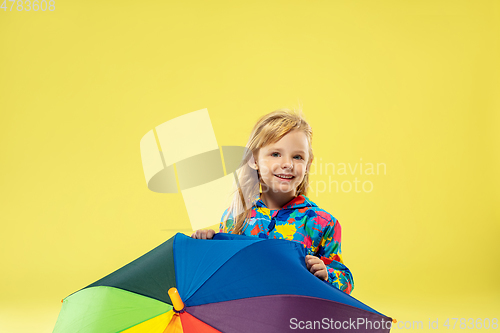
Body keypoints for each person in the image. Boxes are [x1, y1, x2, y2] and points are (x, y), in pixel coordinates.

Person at [191, 108, 354, 294]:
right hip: (246, 313)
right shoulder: (234, 217)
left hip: (295, 315)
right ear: (254, 160)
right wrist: (206, 246)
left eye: (297, 157)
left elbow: (346, 280)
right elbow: (221, 272)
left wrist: (327, 274)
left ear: (307, 165)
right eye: (276, 154)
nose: (287, 164)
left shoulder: (322, 222)